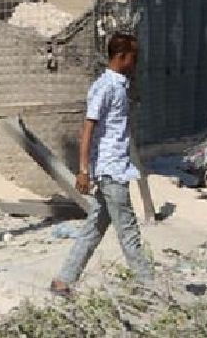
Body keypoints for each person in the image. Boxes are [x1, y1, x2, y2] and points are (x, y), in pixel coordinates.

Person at [50, 33, 152, 297]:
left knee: (94, 227)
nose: (136, 63)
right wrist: (83, 171)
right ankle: (150, 287)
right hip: (111, 170)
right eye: (134, 57)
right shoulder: (106, 87)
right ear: (121, 57)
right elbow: (87, 128)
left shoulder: (119, 86)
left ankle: (63, 280)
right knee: (129, 232)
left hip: (113, 167)